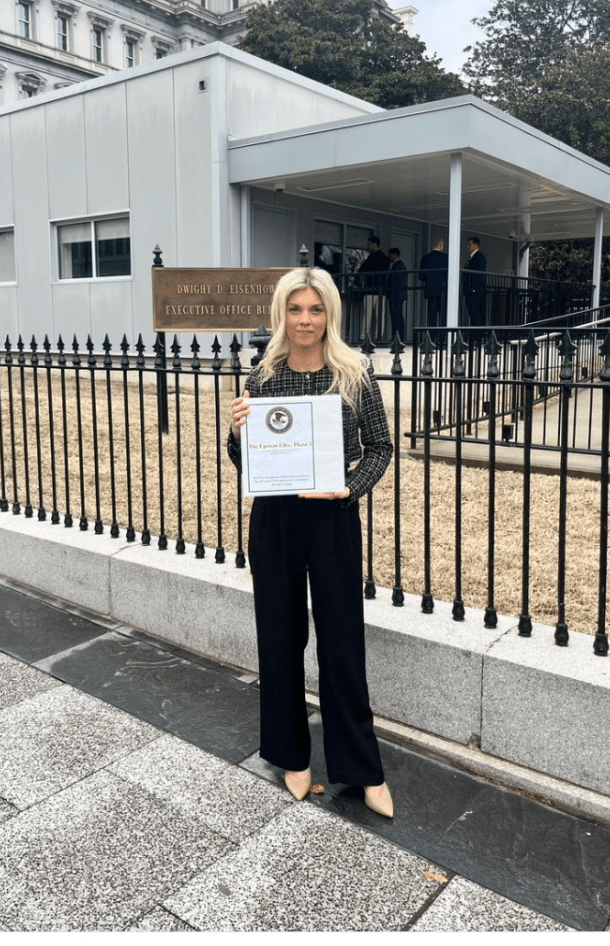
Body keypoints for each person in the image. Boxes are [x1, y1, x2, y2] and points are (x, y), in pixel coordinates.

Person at [228, 267, 394, 818]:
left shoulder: (354, 373)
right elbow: (245, 463)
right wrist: (237, 432)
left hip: (333, 516)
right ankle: (290, 755)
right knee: (279, 637)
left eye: (315, 309)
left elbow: (380, 448)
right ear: (282, 313)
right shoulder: (262, 375)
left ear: (330, 313)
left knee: (342, 641)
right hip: (275, 519)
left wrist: (351, 488)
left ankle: (362, 767)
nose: (305, 320)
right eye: (296, 309)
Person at [357, 235, 389, 342]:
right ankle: (378, 336)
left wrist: (363, 264)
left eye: (369, 244)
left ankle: (363, 337)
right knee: (380, 316)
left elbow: (361, 270)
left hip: (370, 289)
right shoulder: (385, 258)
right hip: (381, 290)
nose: (368, 247)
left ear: (375, 244)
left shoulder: (371, 257)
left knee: (367, 314)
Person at [418, 238, 448, 335]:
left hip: (431, 290)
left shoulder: (425, 258)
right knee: (443, 317)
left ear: (432, 246)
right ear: (441, 246)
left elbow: (421, 277)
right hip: (443, 290)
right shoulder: (446, 258)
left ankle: (431, 338)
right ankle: (443, 339)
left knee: (432, 316)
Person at [463, 237, 487, 327]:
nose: (467, 247)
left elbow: (479, 274)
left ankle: (477, 333)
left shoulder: (479, 257)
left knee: (475, 312)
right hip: (471, 290)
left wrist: (473, 288)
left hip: (475, 290)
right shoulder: (472, 258)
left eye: (469, 245)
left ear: (476, 245)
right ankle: (475, 332)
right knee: (472, 312)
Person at [387, 247, 408, 342]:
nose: (389, 257)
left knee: (396, 316)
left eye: (390, 255)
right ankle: (398, 336)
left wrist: (392, 294)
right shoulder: (399, 265)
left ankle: (397, 337)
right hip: (398, 295)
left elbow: (396, 282)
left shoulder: (398, 266)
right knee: (397, 316)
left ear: (394, 254)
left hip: (396, 295)